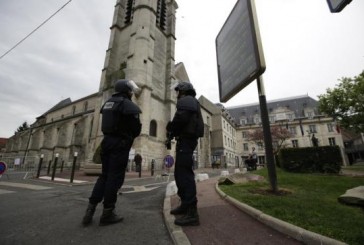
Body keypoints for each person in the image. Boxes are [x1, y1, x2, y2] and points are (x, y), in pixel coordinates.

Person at [82, 79, 142, 226]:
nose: (131, 93)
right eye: (130, 90)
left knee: (104, 176)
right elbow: (136, 129)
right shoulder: (128, 105)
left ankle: (90, 210)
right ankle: (107, 213)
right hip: (119, 145)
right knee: (114, 179)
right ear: (127, 90)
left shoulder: (108, 103)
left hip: (106, 143)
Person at [166, 81, 204, 226]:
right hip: (185, 140)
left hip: (186, 141)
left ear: (183, 90)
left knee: (185, 175)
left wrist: (171, 130)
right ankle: (185, 204)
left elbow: (180, 119)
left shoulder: (187, 100)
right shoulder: (190, 101)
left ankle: (192, 212)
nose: (177, 94)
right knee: (180, 173)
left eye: (178, 91)